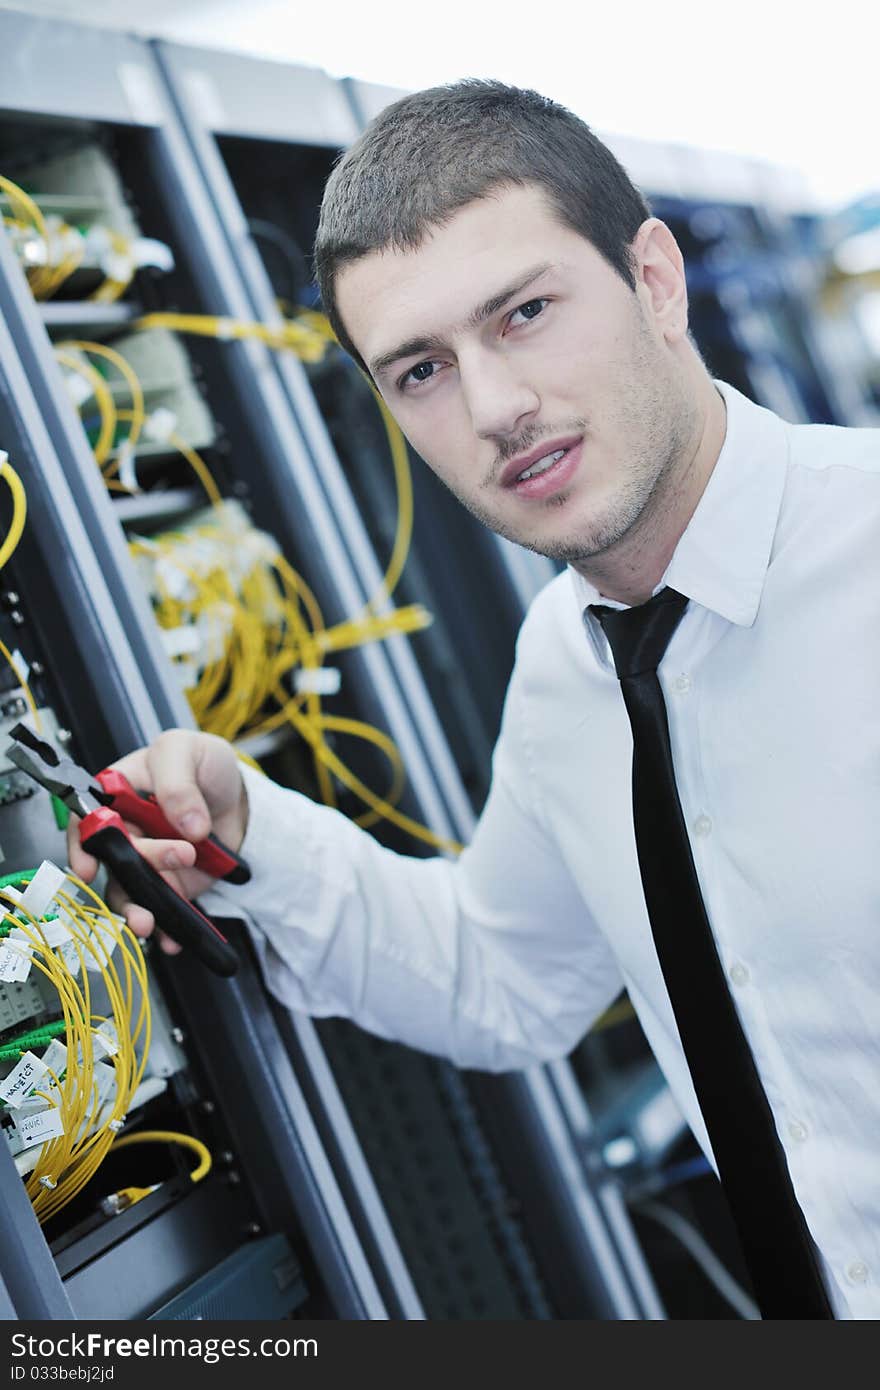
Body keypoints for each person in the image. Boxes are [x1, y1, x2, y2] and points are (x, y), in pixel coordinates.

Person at [67, 81, 879, 1320]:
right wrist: (245, 819)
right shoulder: (570, 669)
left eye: (527, 312)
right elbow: (500, 975)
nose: (495, 408)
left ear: (654, 280)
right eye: (422, 370)